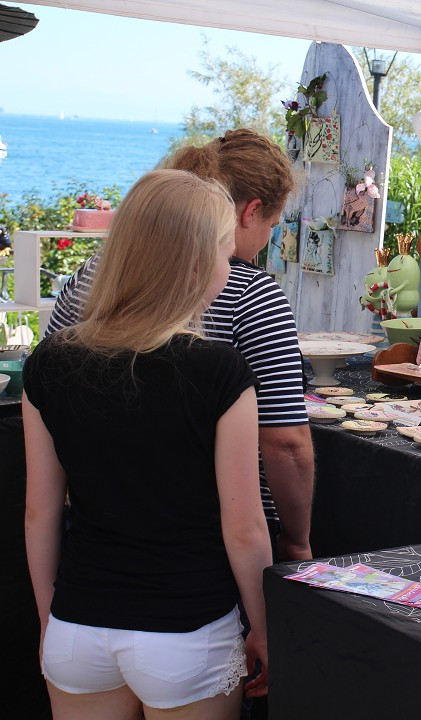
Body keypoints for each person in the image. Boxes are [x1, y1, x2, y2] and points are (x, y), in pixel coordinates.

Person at [24, 170, 273, 719]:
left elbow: (40, 513)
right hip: (188, 629)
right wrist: (262, 625)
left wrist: (50, 618)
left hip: (78, 624)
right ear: (192, 263)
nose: (230, 270)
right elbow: (244, 528)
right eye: (226, 256)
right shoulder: (218, 370)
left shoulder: (49, 363)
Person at [46, 129, 314, 561]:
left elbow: (49, 388)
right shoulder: (252, 294)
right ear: (252, 212)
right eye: (272, 224)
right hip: (212, 543)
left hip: (94, 529)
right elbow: (286, 442)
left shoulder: (96, 271)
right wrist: (297, 539)